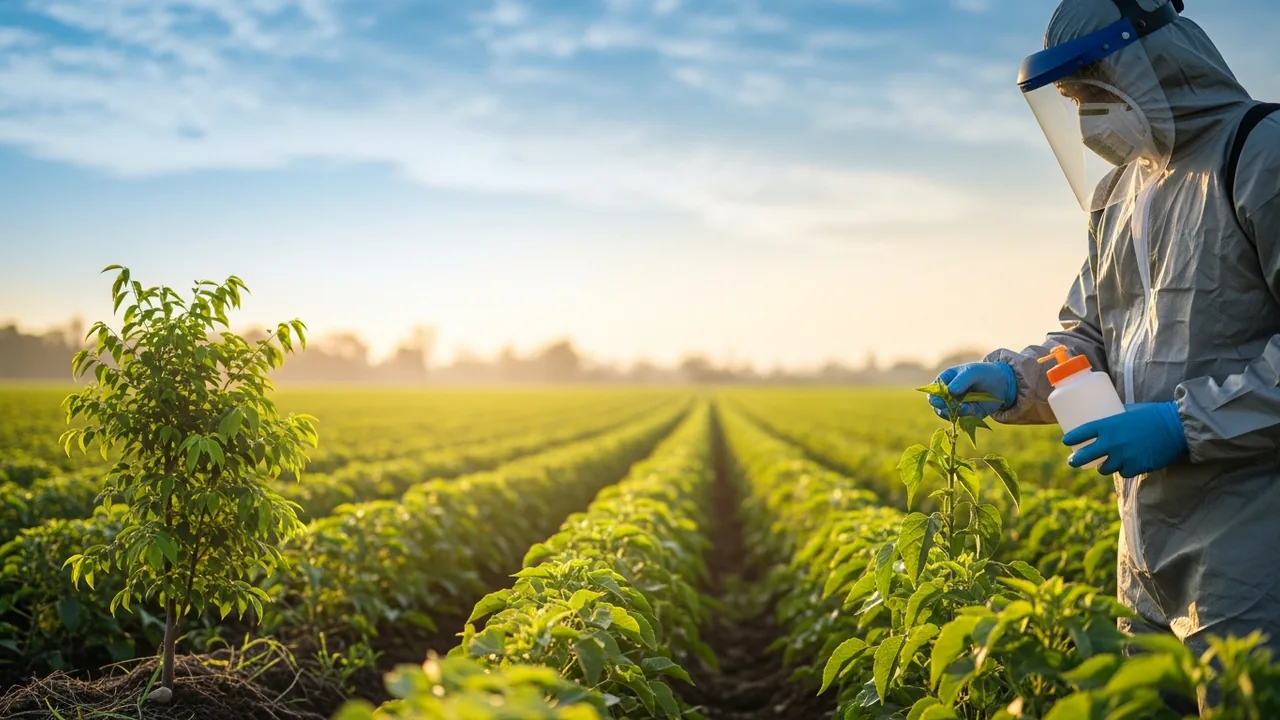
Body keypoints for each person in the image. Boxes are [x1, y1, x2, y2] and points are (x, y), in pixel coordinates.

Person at [928, 0, 1280, 672]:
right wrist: (1015, 381)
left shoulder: (1259, 154)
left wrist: (1185, 424)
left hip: (1254, 538)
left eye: (1094, 92)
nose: (1087, 118)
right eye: (1070, 100)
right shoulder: (1119, 194)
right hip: (1146, 543)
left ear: (1151, 67)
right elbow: (1091, 336)